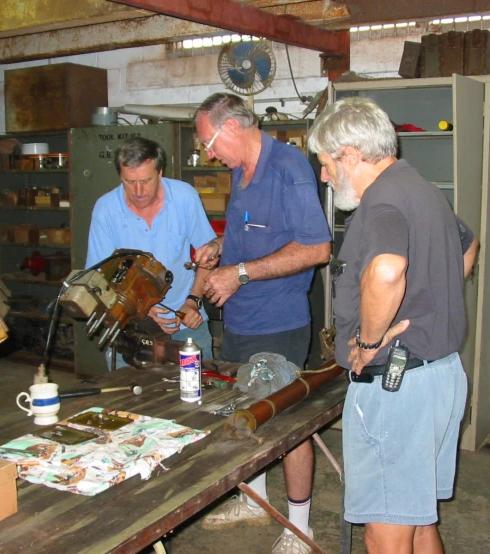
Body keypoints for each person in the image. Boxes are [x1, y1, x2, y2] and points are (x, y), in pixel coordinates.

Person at [307, 96, 480, 554]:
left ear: (350, 155)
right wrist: (431, 296)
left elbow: (386, 271)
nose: (324, 176)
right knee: (417, 521)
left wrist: (368, 340)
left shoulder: (380, 203)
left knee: (385, 532)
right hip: (440, 377)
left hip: (397, 389)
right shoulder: (419, 187)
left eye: (325, 164)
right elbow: (468, 242)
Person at [193, 93, 332, 554]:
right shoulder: (239, 170)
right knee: (246, 417)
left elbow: (316, 249)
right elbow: (250, 232)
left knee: (286, 425)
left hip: (278, 321)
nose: (208, 153)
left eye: (209, 142)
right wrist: (220, 249)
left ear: (231, 128)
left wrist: (241, 273)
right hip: (240, 318)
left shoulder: (288, 169)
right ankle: (254, 500)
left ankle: (299, 529)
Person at [86, 137, 216, 369]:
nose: (138, 191)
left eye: (145, 181)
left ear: (160, 173)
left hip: (186, 325)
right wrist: (143, 316)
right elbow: (98, 282)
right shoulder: (106, 210)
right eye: (129, 181)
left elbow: (209, 255)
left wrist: (193, 301)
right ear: (120, 176)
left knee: (204, 395)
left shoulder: (184, 198)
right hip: (130, 331)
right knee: (128, 401)